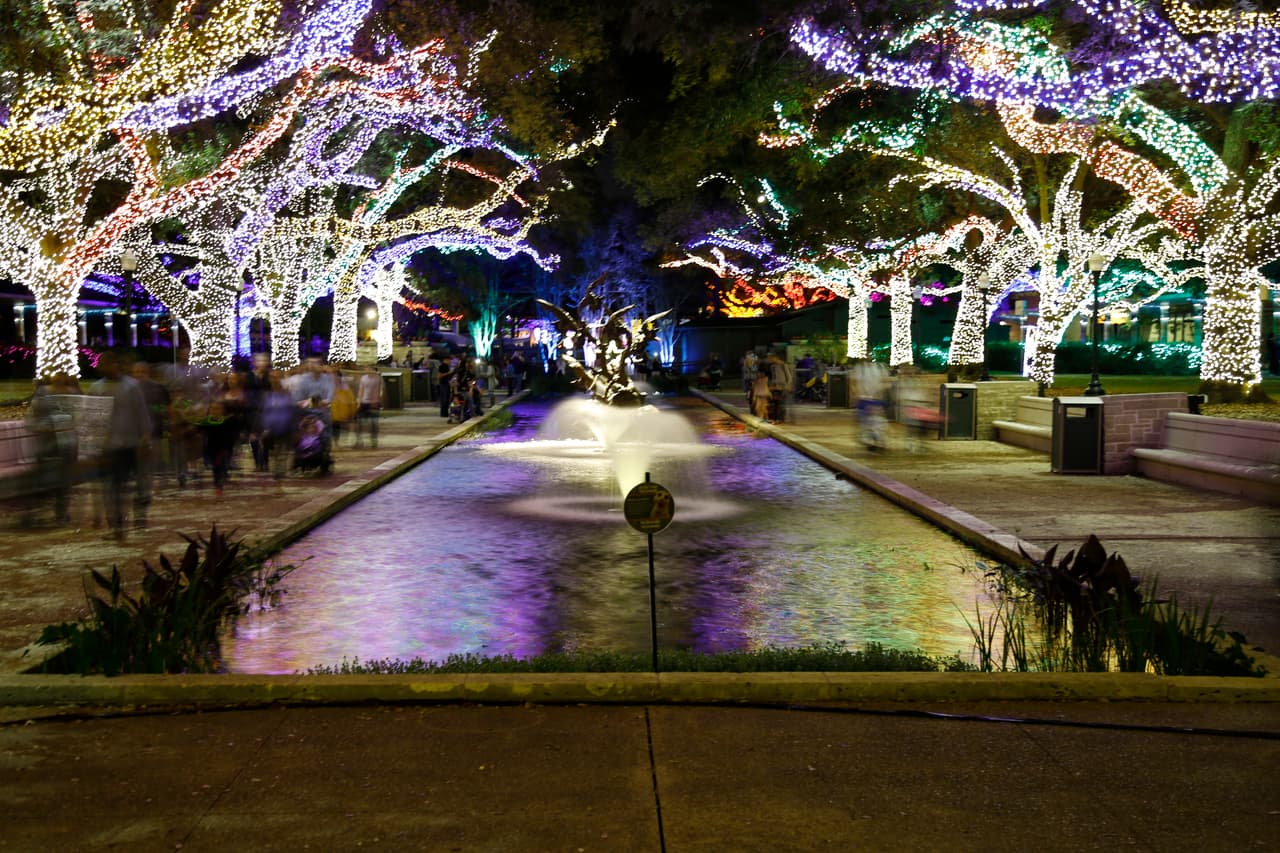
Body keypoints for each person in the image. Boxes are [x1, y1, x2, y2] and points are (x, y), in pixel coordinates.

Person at [90, 352, 152, 538]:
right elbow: (92, 418)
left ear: (116, 364)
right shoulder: (96, 388)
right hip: (108, 446)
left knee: (127, 484)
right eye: (102, 364)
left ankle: (132, 516)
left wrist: (145, 437)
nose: (105, 367)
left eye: (108, 363)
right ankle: (117, 525)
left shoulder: (131, 387)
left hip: (129, 443)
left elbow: (141, 413)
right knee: (112, 486)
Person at [853, 358, 890, 451]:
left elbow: (885, 381)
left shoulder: (879, 367)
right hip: (865, 399)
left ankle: (876, 441)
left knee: (876, 421)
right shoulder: (860, 369)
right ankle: (873, 441)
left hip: (874, 399)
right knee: (868, 422)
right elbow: (855, 383)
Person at [354, 365, 383, 448]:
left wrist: (378, 401)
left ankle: (374, 440)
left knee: (374, 422)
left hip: (374, 402)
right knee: (359, 422)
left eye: (369, 368)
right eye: (366, 368)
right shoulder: (363, 378)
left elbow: (379, 391)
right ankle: (359, 440)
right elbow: (361, 390)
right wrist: (359, 402)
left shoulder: (378, 379)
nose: (367, 370)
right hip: (364, 402)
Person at [766, 351, 794, 422]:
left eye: (771, 358)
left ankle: (781, 419)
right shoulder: (772, 366)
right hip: (775, 387)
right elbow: (773, 377)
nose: (769, 360)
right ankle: (775, 418)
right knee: (776, 403)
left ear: (776, 358)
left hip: (783, 387)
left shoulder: (783, 365)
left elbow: (789, 377)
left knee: (782, 403)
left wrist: (788, 385)